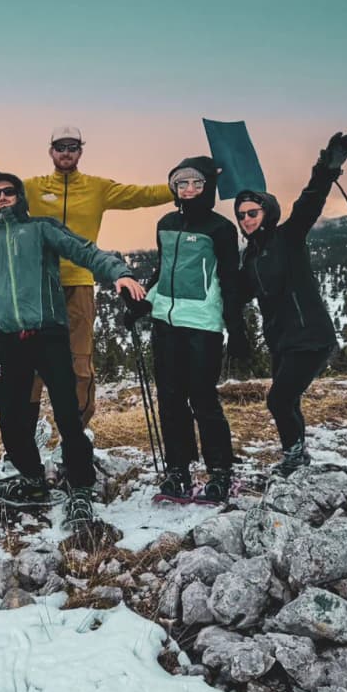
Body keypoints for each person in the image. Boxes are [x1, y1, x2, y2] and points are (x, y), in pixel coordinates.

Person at [0, 172, 146, 529]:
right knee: (11, 419)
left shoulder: (42, 229)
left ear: (20, 197)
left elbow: (84, 251)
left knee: (68, 415)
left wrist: (117, 272)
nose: (3, 198)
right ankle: (34, 480)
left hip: (50, 334)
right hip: (10, 341)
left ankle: (81, 487)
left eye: (10, 192)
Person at [0, 126, 170, 430]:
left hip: (77, 283)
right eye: (59, 146)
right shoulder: (30, 188)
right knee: (32, 366)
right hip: (37, 287)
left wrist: (182, 187)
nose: (66, 152)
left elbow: (142, 195)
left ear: (81, 150)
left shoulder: (99, 188)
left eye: (72, 146)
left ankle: (78, 430)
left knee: (79, 364)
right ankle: (28, 432)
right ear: (50, 150)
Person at [125, 156, 250, 504]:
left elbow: (229, 279)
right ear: (174, 189)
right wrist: (143, 303)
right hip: (165, 323)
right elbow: (162, 271)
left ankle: (220, 473)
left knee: (203, 399)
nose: (190, 189)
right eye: (182, 184)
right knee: (170, 399)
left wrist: (236, 327)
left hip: (203, 325)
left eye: (197, 183)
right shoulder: (165, 223)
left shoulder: (220, 229)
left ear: (208, 187)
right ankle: (178, 470)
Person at [233, 133, 347, 476]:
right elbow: (238, 293)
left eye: (252, 212)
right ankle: (297, 457)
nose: (246, 220)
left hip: (311, 337)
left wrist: (327, 168)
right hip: (282, 342)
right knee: (289, 401)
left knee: (278, 399)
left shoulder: (289, 236)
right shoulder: (250, 257)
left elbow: (309, 202)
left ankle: (294, 456)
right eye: (241, 215)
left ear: (267, 211)